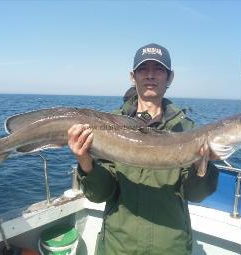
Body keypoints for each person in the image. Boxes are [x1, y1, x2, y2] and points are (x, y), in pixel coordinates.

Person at [68, 43, 219, 255]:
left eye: (158, 69)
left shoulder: (186, 130)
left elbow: (194, 194)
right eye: (143, 69)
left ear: (170, 77)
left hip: (170, 247)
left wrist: (202, 166)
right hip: (117, 246)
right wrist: (85, 162)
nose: (150, 75)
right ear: (133, 76)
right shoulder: (108, 126)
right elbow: (101, 194)